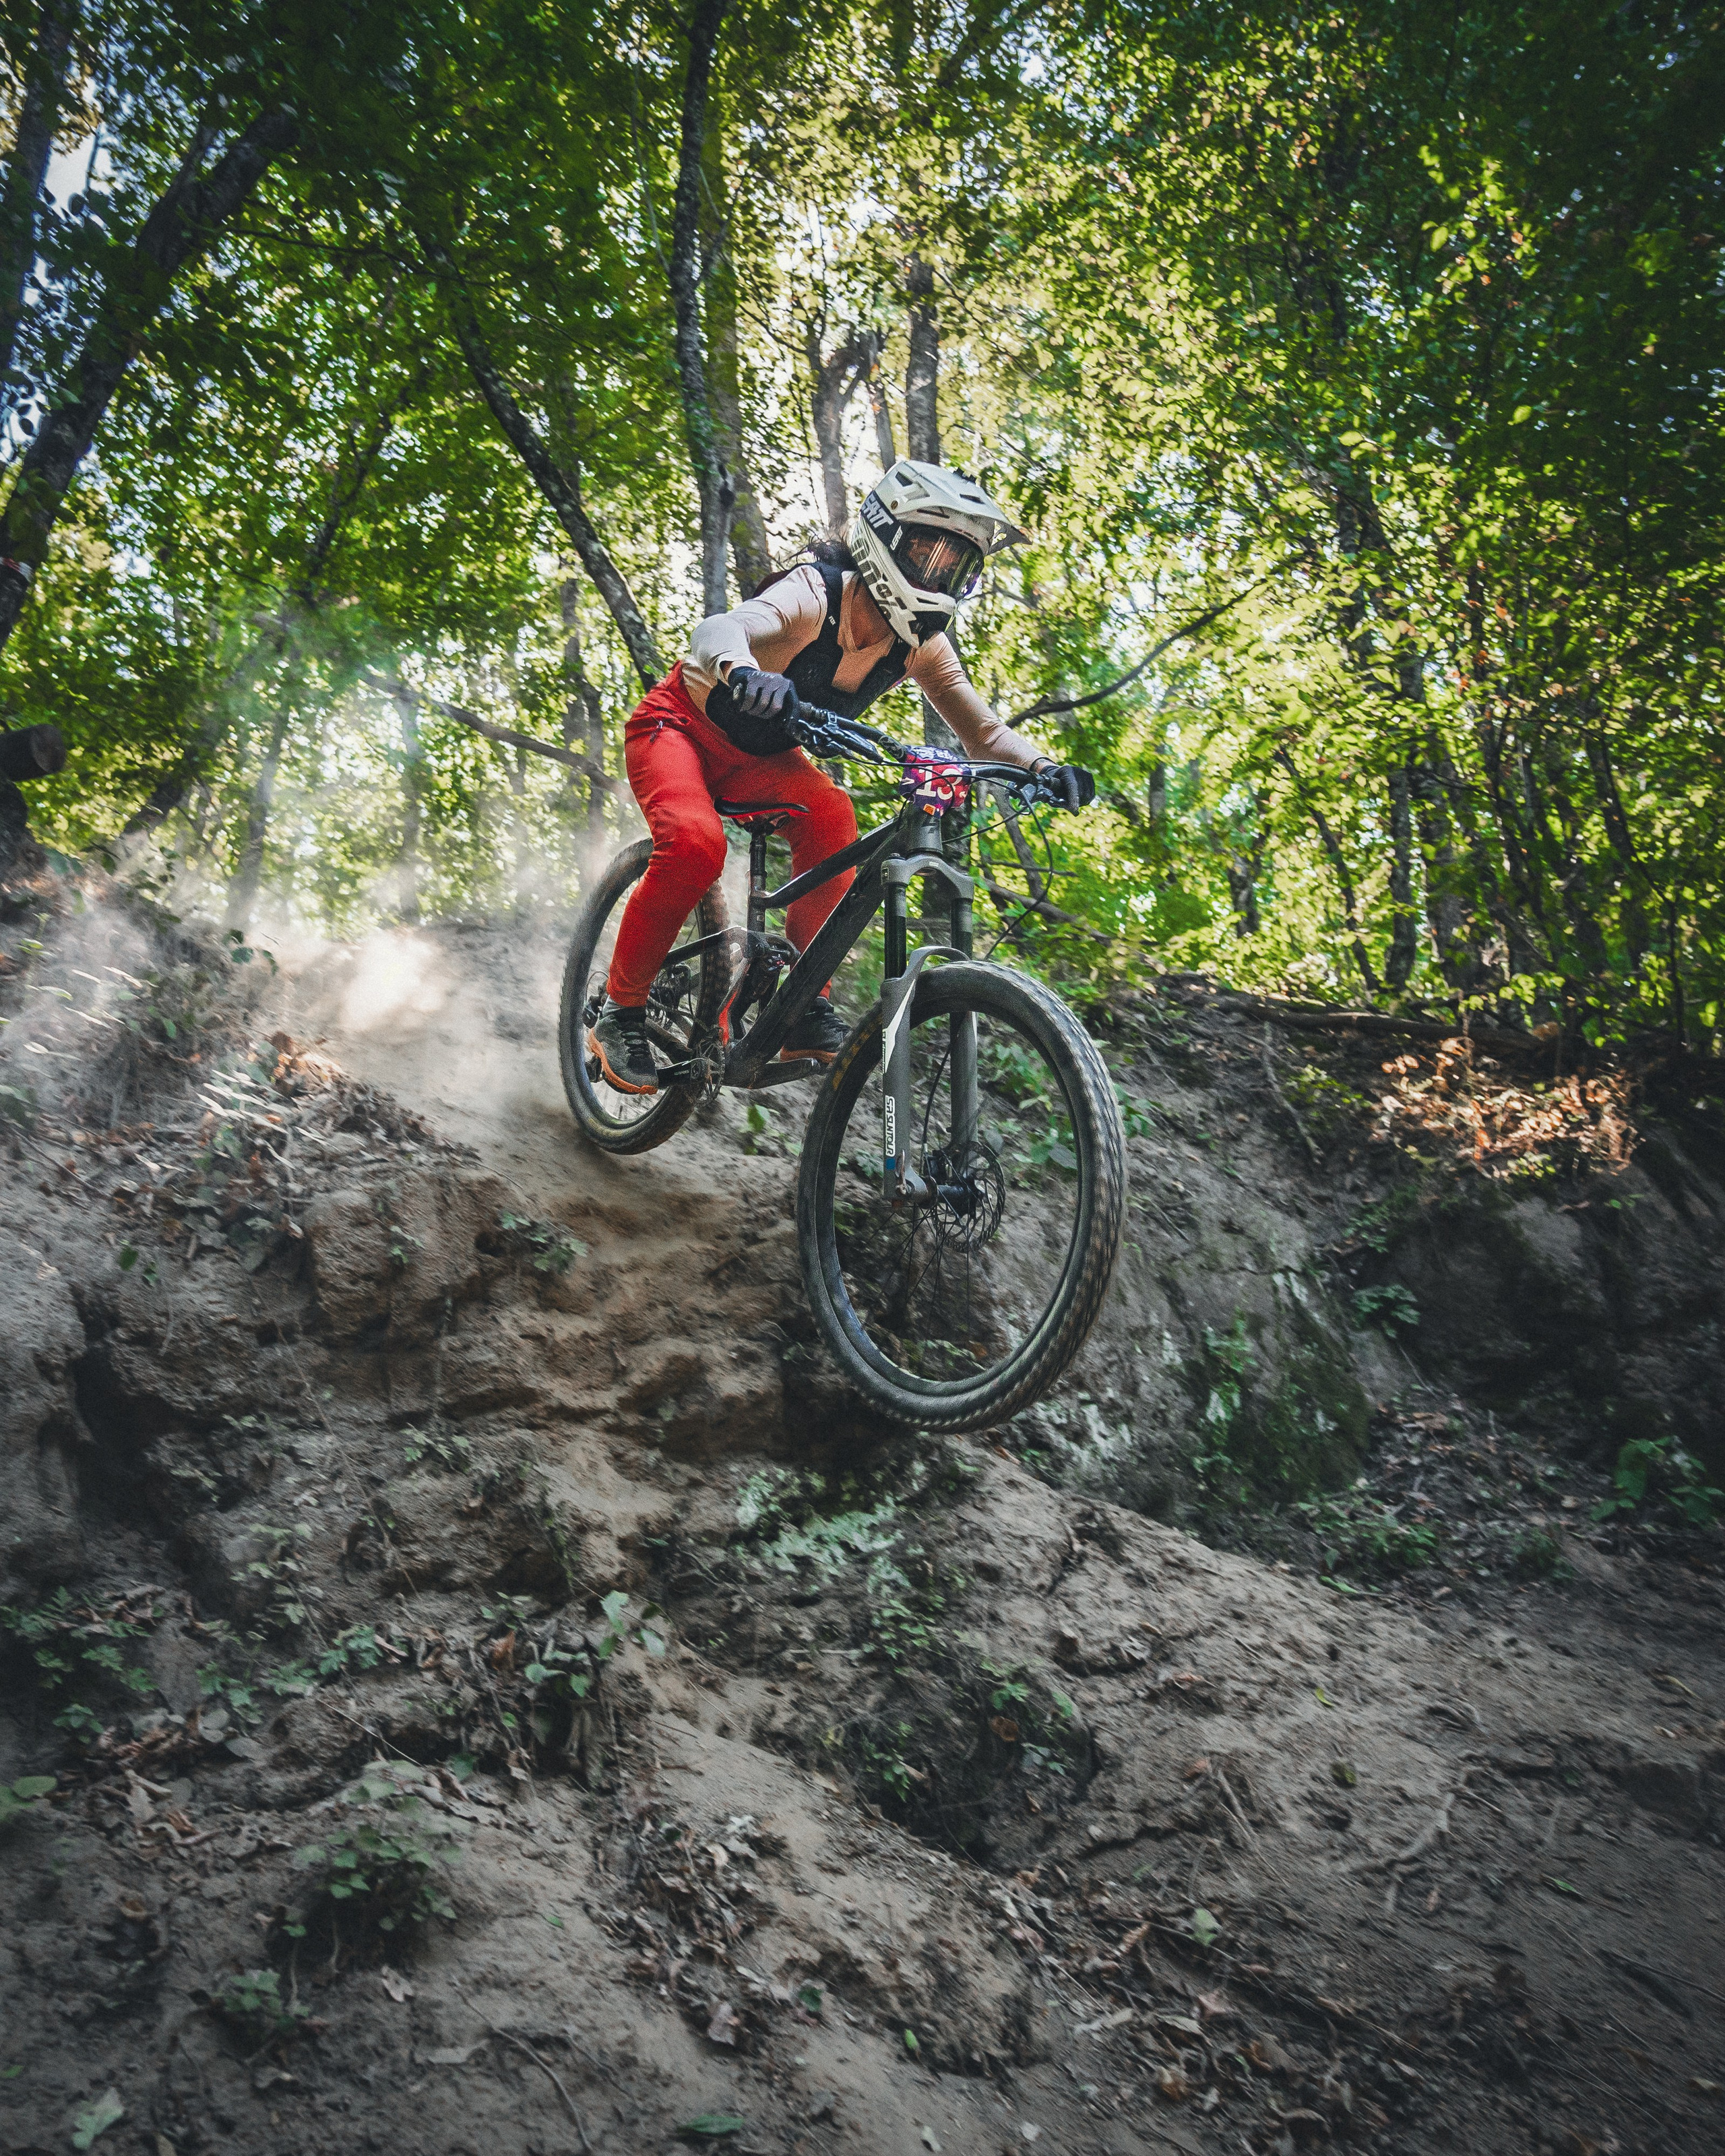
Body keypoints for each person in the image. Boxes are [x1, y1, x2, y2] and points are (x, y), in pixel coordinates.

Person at [588, 459, 1096, 1093]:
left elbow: (984, 732)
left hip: (763, 763)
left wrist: (1045, 769)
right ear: (883, 538)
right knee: (695, 844)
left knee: (834, 816)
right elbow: (720, 628)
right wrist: (744, 673)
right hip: (679, 728)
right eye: (926, 555)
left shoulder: (923, 646)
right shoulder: (815, 594)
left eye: (956, 566)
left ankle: (802, 1003)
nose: (938, 576)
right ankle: (620, 1010)